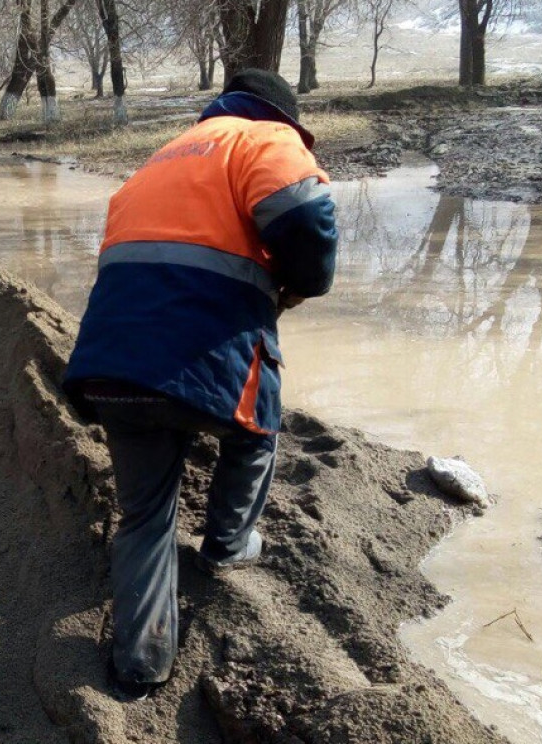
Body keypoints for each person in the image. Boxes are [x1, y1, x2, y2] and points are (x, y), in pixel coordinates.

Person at [62, 69, 338, 701]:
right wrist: (301, 284)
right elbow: (306, 220)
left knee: (145, 514)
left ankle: (139, 667)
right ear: (282, 116)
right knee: (258, 425)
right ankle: (228, 543)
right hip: (197, 365)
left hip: (110, 367)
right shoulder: (264, 139)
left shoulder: (158, 160)